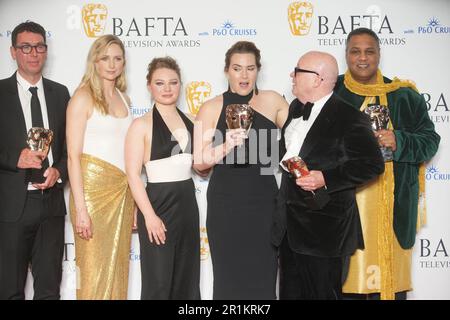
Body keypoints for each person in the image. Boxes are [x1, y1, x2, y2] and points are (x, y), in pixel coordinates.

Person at [334, 27, 440, 300]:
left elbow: (429, 141)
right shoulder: (331, 92)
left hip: (393, 208)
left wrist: (399, 140)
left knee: (390, 289)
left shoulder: (404, 95)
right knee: (345, 286)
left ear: (379, 54)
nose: (362, 58)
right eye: (355, 51)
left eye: (369, 51)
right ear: (346, 54)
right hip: (345, 210)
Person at [272, 51, 385, 300]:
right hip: (290, 230)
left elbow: (372, 164)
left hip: (325, 231)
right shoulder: (295, 108)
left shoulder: (350, 117)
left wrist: (326, 178)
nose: (292, 75)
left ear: (317, 78)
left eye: (298, 70)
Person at [193, 41, 289, 299]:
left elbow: (300, 139)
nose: (244, 75)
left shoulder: (274, 101)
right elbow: (199, 161)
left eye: (250, 68)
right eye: (237, 68)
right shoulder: (211, 107)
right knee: (228, 281)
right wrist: (226, 144)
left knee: (264, 279)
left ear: (258, 70)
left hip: (265, 204)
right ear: (227, 71)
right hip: (227, 205)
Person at [0, 21, 70, 300]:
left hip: (51, 205)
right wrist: (13, 158)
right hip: (12, 207)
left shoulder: (61, 93)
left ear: (46, 50)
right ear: (13, 51)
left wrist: (58, 170)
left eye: (39, 46)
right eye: (25, 47)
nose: (33, 53)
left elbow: (69, 149)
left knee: (49, 290)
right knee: (9, 289)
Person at [125, 57, 200, 300]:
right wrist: (149, 216)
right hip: (158, 205)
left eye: (173, 82)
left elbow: (200, 165)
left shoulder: (192, 120)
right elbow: (133, 176)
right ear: (149, 86)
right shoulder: (141, 125)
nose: (167, 89)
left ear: (180, 84)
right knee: (158, 283)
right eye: (160, 83)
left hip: (188, 205)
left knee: (186, 280)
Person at [66, 34, 135, 299]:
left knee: (118, 271)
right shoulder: (82, 98)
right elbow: (73, 157)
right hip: (92, 196)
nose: (112, 64)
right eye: (105, 58)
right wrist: (81, 209)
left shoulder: (125, 99)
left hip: (122, 192)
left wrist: (136, 202)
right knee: (93, 272)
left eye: (117, 58)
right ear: (94, 61)